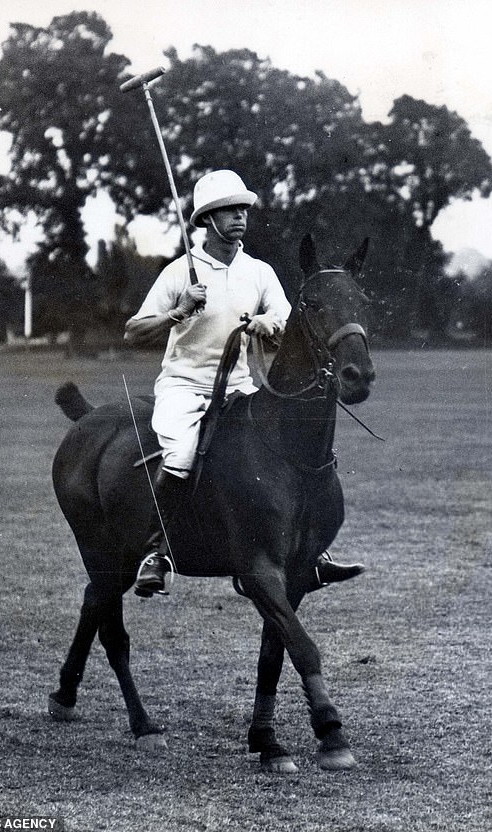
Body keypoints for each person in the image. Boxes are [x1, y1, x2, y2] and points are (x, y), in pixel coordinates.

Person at [124, 170, 364, 596]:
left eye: (243, 210)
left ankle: (310, 554)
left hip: (238, 387)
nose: (240, 217)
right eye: (229, 210)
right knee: (179, 454)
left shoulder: (259, 272)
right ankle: (155, 552)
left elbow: (290, 326)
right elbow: (134, 331)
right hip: (184, 386)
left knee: (290, 446)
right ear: (207, 220)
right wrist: (177, 312)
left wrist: (269, 322)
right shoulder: (182, 272)